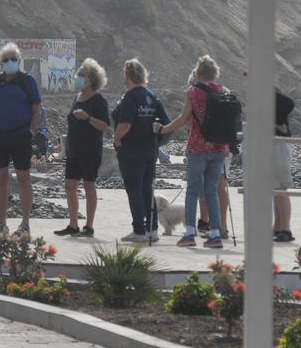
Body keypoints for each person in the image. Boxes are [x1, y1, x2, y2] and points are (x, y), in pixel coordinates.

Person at [156, 55, 232, 248]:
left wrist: (162, 129)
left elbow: (183, 119)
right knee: (212, 191)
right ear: (214, 73)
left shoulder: (193, 92)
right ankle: (215, 235)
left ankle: (189, 233)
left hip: (197, 147)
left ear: (197, 73)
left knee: (192, 190)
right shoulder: (224, 91)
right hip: (219, 148)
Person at [0, 42, 42, 235]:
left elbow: (36, 109)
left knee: (23, 177)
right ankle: (2, 222)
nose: (9, 62)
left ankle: (25, 222)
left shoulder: (28, 82)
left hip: (21, 136)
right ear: (1, 63)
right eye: (5, 60)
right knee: (0, 178)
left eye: (13, 59)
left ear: (19, 61)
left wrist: (31, 131)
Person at [112, 58, 169, 243]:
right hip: (149, 149)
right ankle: (152, 228)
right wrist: (157, 138)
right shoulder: (151, 95)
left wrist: (117, 138)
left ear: (128, 76)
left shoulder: (130, 96)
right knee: (146, 188)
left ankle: (139, 230)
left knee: (134, 189)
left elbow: (126, 123)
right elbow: (167, 124)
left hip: (131, 150)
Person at [54, 58, 110, 238]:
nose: (77, 77)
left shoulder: (99, 100)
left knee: (89, 186)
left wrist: (87, 118)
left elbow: (104, 126)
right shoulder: (77, 97)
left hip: (90, 150)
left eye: (81, 75)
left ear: (91, 79)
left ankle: (89, 226)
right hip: (74, 149)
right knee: (70, 185)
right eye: (77, 74)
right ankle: (73, 224)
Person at [274, 88, 295, 242]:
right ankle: (278, 226)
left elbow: (289, 103)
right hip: (272, 145)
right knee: (275, 189)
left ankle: (286, 228)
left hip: (279, 146)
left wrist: (279, 121)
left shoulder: (271, 94)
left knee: (281, 189)